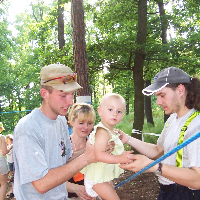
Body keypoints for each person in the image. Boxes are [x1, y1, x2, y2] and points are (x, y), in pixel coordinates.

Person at [13, 63, 98, 200]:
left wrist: (95, 149)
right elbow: (41, 184)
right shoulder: (28, 128)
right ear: (44, 94)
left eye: (72, 94)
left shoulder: (61, 121)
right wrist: (86, 158)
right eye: (63, 95)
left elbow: (65, 162)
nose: (70, 102)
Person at [119, 67, 200, 200]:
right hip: (167, 191)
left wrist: (155, 166)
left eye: (162, 95)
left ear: (180, 90)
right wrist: (127, 138)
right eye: (157, 97)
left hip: (185, 194)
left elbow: (197, 180)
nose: (158, 102)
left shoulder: (196, 125)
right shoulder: (173, 119)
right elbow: (159, 151)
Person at [81, 93, 133, 200]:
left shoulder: (110, 131)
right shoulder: (102, 131)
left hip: (102, 176)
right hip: (96, 178)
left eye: (119, 111)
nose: (114, 114)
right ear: (100, 111)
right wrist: (119, 158)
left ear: (123, 115)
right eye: (110, 110)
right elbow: (99, 154)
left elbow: (110, 149)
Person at [66, 102, 96, 200]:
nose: (86, 127)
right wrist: (77, 189)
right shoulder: (62, 146)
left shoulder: (94, 146)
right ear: (72, 121)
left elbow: (102, 175)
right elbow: (52, 180)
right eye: (81, 123)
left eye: (90, 123)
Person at [0, 122, 9, 200]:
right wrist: (10, 147)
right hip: (1, 161)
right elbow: (4, 152)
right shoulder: (2, 137)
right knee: (3, 184)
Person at [6, 134, 15, 198]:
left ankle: (12, 176)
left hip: (14, 162)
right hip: (10, 161)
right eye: (10, 140)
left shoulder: (14, 146)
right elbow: (7, 152)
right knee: (10, 169)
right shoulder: (8, 147)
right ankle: (11, 176)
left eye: (12, 140)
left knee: (13, 171)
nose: (12, 141)